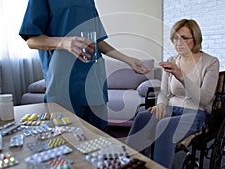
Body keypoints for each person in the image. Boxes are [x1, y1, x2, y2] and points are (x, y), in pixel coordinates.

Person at [19, 0, 150, 132]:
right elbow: (32, 40)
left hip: (94, 82)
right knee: (66, 137)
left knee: (98, 136)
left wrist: (128, 59)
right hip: (63, 83)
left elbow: (97, 41)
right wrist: (63, 42)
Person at [126, 19, 220, 168]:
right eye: (175, 38)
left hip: (196, 112)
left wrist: (181, 75)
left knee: (165, 125)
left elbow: (206, 99)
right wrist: (161, 104)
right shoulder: (172, 60)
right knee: (142, 117)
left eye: (184, 38)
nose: (178, 43)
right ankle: (131, 163)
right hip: (172, 109)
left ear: (195, 39)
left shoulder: (210, 62)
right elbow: (164, 92)